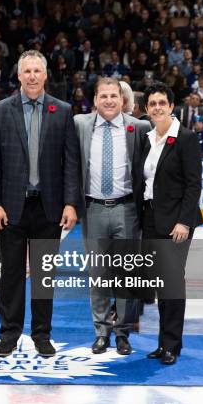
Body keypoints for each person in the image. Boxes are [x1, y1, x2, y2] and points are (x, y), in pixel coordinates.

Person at [0, 50, 83, 357]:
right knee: (11, 274)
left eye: (36, 71)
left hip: (49, 207)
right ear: (18, 75)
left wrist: (70, 203)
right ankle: (9, 334)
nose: (31, 76)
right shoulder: (0, 110)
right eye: (26, 71)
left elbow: (71, 163)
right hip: (11, 207)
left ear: (45, 75)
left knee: (43, 276)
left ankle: (42, 334)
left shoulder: (63, 110)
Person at [73, 77, 151, 355]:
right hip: (93, 209)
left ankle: (123, 333)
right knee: (98, 275)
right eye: (103, 96)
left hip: (127, 209)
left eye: (113, 96)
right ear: (94, 100)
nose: (108, 101)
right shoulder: (80, 124)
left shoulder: (140, 127)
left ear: (123, 100)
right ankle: (102, 331)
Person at [136, 82, 203, 365]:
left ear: (172, 107)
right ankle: (163, 342)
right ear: (147, 109)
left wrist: (184, 222)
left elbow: (193, 184)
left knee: (172, 284)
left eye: (162, 102)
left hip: (176, 223)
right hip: (151, 219)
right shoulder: (147, 138)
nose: (157, 107)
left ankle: (172, 345)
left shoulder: (185, 138)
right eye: (152, 103)